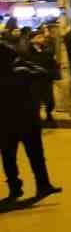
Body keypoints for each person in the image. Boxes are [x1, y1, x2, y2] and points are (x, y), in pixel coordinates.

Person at [1, 43, 61, 202]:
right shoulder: (21, 72)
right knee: (36, 156)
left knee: (8, 158)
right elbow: (44, 73)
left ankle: (15, 188)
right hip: (28, 121)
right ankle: (43, 184)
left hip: (5, 124)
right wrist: (25, 62)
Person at [23, 29, 60, 126]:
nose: (42, 39)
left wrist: (55, 75)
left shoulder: (46, 49)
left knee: (50, 100)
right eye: (39, 37)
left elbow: (52, 62)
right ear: (31, 40)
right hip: (34, 79)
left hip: (46, 78)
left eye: (42, 37)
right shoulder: (26, 51)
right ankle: (37, 119)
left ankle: (48, 114)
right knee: (36, 100)